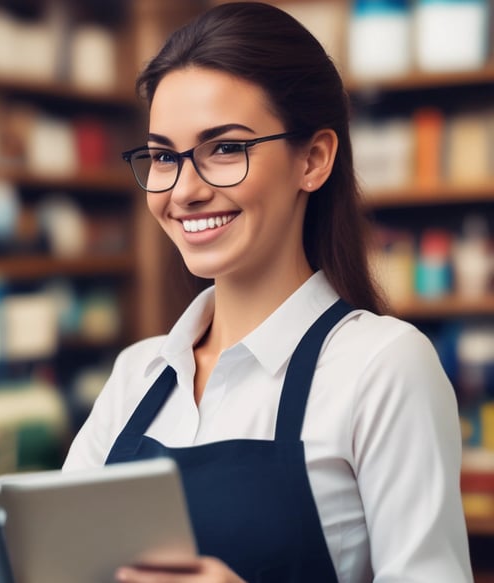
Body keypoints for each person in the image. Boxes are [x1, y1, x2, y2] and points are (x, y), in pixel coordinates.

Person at [62, 2, 473, 582]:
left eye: (225, 148)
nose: (185, 191)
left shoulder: (381, 366)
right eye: (162, 157)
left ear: (313, 159)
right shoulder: (138, 374)